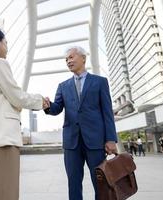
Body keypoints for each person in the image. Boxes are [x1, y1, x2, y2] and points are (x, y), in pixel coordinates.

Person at [0, 27, 49, 200]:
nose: (7, 46)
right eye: (5, 42)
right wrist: (41, 101)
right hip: (2, 141)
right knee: (4, 194)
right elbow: (17, 96)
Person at [44, 46, 118, 200]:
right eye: (66, 60)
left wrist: (111, 139)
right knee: (74, 183)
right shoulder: (63, 86)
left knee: (100, 182)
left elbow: (107, 112)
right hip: (72, 143)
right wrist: (48, 105)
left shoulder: (100, 82)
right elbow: (57, 108)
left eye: (71, 57)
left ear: (83, 58)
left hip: (95, 142)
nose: (68, 61)